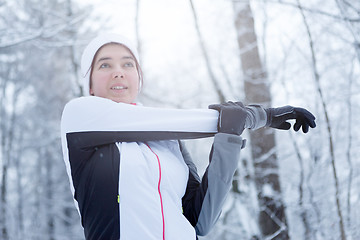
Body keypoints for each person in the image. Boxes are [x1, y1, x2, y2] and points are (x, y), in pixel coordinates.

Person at [61, 33, 316, 240]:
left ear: (139, 78)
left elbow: (200, 220)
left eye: (128, 64)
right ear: (90, 83)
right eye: (105, 64)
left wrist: (228, 139)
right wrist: (260, 116)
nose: (118, 71)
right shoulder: (79, 117)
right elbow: (196, 120)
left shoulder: (168, 139)